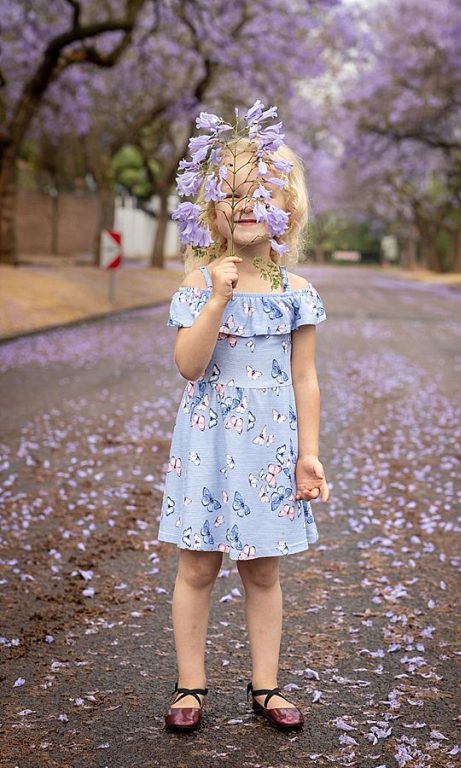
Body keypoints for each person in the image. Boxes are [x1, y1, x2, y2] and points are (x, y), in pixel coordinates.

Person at [158, 139, 329, 732]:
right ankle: (190, 684)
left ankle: (266, 685)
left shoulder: (296, 291)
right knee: (198, 567)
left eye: (262, 191)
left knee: (262, 570)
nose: (247, 203)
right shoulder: (199, 284)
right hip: (208, 446)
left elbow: (305, 378)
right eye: (231, 192)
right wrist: (216, 299)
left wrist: (308, 454)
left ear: (289, 207)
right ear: (212, 210)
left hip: (269, 449)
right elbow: (188, 364)